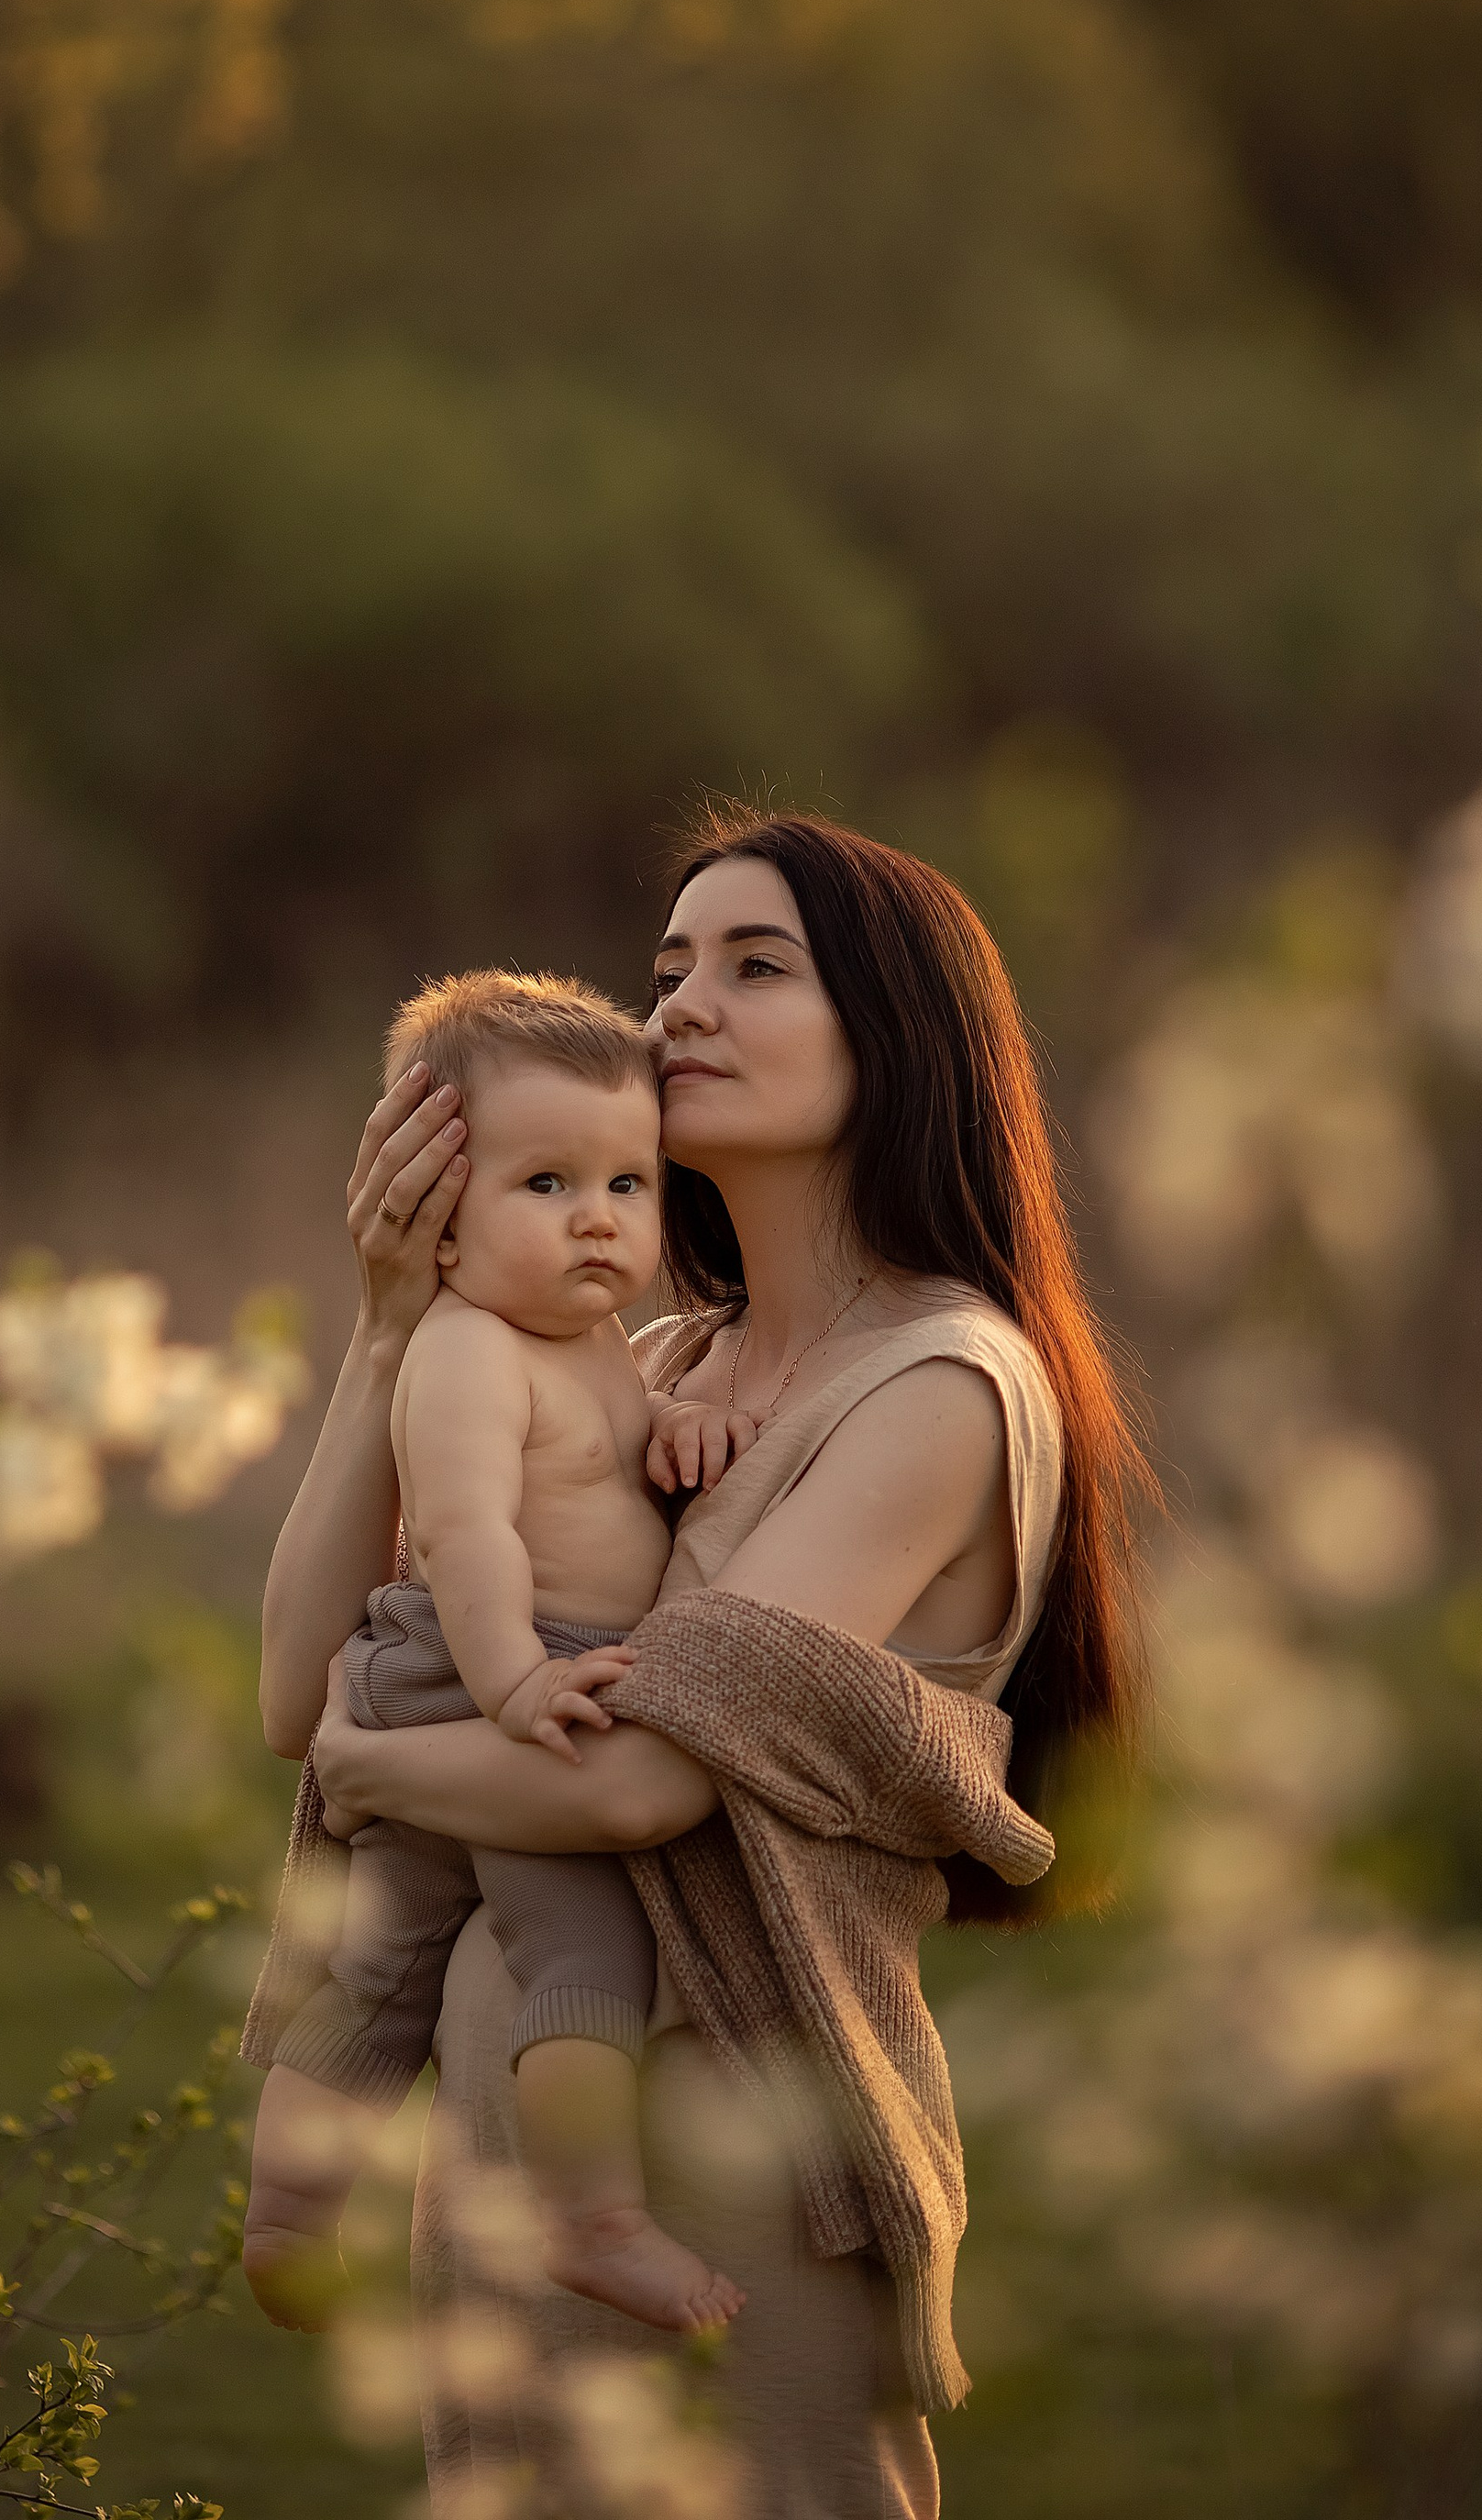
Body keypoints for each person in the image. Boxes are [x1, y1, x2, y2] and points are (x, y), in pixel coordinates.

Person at [258, 809, 1151, 2520]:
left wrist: (371, 1775)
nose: (682, 1008)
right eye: (667, 968)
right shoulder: (637, 1365)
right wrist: (385, 1336)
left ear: (895, 1035)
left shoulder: (941, 1383)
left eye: (756, 967)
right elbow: (298, 1685)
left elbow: (643, 1774)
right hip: (515, 2141)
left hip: (738, 2171)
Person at [244, 969, 747, 2333]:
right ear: (438, 1226)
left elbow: (608, 1468)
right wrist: (518, 1681)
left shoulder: (592, 1347)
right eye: (544, 1186)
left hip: (508, 1675)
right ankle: (595, 2217)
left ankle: (289, 2218)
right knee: (585, 1949)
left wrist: (675, 1437)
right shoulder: (466, 1349)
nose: (595, 1220)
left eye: (626, 1187)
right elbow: (462, 1535)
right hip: (487, 1671)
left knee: (382, 1968)